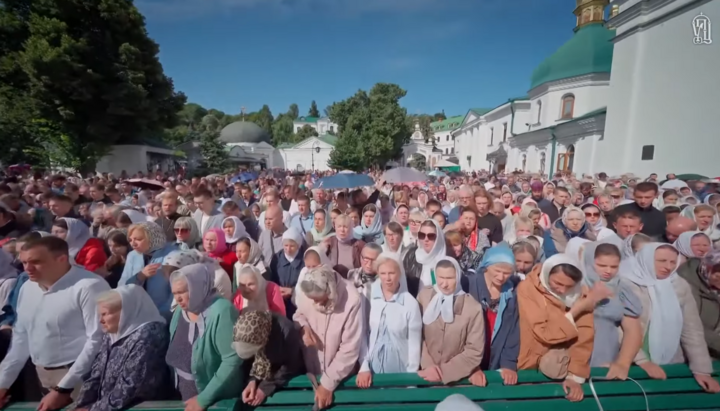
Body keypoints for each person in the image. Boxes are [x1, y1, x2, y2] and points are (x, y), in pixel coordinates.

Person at [0, 237, 110, 409]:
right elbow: (21, 339)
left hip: (83, 378)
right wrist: (2, 384)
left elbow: (97, 340)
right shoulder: (27, 287)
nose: (27, 268)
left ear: (62, 259)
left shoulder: (89, 286)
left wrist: (63, 388)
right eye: (24, 262)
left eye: (36, 262)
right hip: (41, 375)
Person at [623, 243, 719, 392]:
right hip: (632, 359)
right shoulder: (625, 283)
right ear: (646, 259)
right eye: (661, 261)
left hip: (671, 359)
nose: (668, 266)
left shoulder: (679, 284)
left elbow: (692, 329)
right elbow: (619, 329)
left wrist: (702, 370)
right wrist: (642, 360)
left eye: (673, 262)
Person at [517, 254, 601, 402]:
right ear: (548, 272)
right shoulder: (528, 289)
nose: (562, 290)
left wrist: (574, 376)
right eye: (557, 283)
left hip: (561, 368)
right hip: (528, 367)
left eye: (569, 286)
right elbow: (543, 333)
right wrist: (575, 311)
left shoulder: (581, 295)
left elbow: (584, 338)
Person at [74, 285, 169, 411]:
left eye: (105, 314)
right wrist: (82, 405)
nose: (100, 320)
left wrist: (93, 410)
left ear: (126, 311)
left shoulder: (149, 336)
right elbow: (97, 373)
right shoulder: (114, 332)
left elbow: (132, 385)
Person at [166, 263, 242, 410]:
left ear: (197, 286)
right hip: (183, 397)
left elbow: (231, 359)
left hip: (215, 402)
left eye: (183, 292)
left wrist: (203, 400)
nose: (178, 299)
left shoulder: (222, 311)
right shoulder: (179, 313)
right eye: (175, 293)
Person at [295, 265, 362, 410]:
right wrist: (303, 328)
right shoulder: (308, 287)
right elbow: (299, 314)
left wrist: (328, 383)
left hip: (341, 380)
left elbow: (349, 348)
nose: (316, 304)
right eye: (313, 300)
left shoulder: (352, 299)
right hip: (312, 371)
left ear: (330, 291)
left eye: (320, 300)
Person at [356, 255, 421, 388]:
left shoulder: (410, 303)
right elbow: (363, 334)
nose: (387, 278)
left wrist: (411, 381)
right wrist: (363, 366)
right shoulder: (369, 299)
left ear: (399, 273)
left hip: (400, 367)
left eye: (392, 273)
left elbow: (414, 344)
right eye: (383, 273)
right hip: (372, 369)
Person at [417, 257, 484, 385]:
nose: (444, 284)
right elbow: (415, 335)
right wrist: (427, 364)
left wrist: (443, 372)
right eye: (441, 278)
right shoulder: (424, 298)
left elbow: (474, 350)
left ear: (458, 277)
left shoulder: (472, 308)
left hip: (456, 381)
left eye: (450, 278)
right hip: (425, 376)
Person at [580, 242, 643, 377]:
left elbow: (633, 330)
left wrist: (623, 363)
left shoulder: (622, 288)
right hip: (576, 353)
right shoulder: (574, 283)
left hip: (606, 353)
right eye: (602, 265)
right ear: (590, 261)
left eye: (614, 266)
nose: (608, 271)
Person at [464, 246, 520, 385]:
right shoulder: (470, 285)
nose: (501, 277)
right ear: (486, 266)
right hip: (469, 360)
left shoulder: (511, 293)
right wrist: (471, 365)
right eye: (497, 271)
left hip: (495, 355)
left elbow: (513, 331)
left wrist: (508, 363)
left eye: (507, 273)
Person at [233, 309, 303, 406]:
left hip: (284, 382)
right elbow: (251, 361)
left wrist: (264, 388)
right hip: (263, 381)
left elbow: (291, 365)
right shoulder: (246, 329)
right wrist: (252, 381)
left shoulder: (286, 331)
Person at [119, 222, 177, 316]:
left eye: (138, 239)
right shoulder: (133, 255)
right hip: (137, 315)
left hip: (165, 315)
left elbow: (176, 293)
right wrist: (139, 276)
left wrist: (163, 315)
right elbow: (122, 286)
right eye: (130, 240)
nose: (133, 244)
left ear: (152, 238)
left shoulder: (173, 255)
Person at [677, 249, 720, 358]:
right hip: (689, 352)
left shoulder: (713, 282)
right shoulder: (684, 284)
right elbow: (692, 325)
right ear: (708, 268)